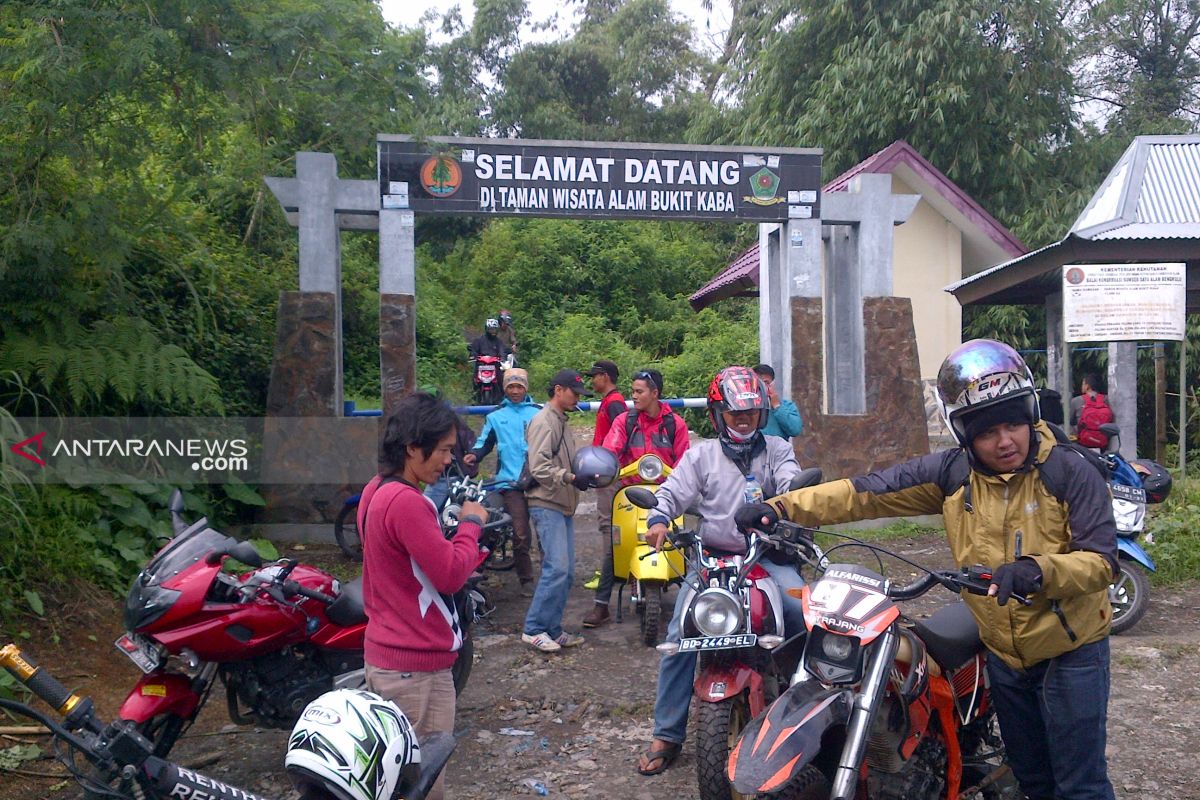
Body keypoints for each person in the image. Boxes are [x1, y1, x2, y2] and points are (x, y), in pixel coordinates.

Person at [741, 339, 1118, 800]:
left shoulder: (1070, 470)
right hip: (1004, 651)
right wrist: (780, 507)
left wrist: (1035, 571)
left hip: (1070, 651)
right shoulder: (954, 474)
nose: (1005, 441)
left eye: (1014, 424)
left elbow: (1101, 562)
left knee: (1080, 785)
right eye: (987, 432)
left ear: (1030, 413)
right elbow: (866, 492)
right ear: (965, 435)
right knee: (1032, 777)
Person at [636, 366, 807, 776]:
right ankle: (668, 733)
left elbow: (791, 483)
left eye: (750, 413)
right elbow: (673, 491)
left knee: (801, 612)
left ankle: (806, 711)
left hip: (765, 555)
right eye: (735, 414)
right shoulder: (701, 455)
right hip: (710, 559)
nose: (743, 420)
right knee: (680, 635)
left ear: (762, 414)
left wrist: (791, 495)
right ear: (718, 414)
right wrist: (659, 518)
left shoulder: (778, 449)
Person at [358, 392, 487, 800]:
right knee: (420, 788)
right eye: (445, 449)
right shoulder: (407, 502)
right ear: (414, 448)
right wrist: (470, 524)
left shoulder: (376, 489)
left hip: (396, 659)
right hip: (415, 671)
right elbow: (449, 574)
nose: (448, 459)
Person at [583, 368, 689, 628]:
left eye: (640, 391)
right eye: (633, 392)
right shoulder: (625, 422)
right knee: (613, 543)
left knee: (688, 545)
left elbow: (686, 461)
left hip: (666, 495)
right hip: (629, 494)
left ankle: (697, 603)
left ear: (655, 393)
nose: (634, 396)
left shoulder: (675, 423)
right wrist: (604, 468)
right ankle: (601, 605)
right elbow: (611, 450)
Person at [522, 369, 594, 652]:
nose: (578, 398)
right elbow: (539, 467)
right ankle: (534, 628)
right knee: (556, 569)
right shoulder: (544, 422)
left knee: (566, 572)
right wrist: (570, 478)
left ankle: (552, 628)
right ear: (559, 390)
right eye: (574, 392)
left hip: (562, 503)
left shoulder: (561, 420)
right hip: (546, 502)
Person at [463, 368, 540, 595]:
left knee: (546, 532)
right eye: (511, 387)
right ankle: (526, 579)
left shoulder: (538, 413)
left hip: (539, 480)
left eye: (519, 386)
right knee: (520, 533)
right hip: (510, 482)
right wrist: (474, 455)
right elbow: (484, 444)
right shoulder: (496, 416)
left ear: (526, 388)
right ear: (504, 388)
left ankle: (551, 578)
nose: (515, 391)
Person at [580, 359, 627, 596]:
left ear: (605, 376)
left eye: (594, 376)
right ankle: (611, 570)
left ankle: (610, 573)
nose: (592, 380)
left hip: (610, 473)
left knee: (608, 523)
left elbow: (624, 435)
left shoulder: (615, 403)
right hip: (607, 470)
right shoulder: (610, 402)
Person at [420, 387, 478, 512]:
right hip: (442, 476)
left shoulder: (447, 422)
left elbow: (470, 440)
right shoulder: (424, 423)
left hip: (451, 475)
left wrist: (472, 454)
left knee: (426, 509)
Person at [753, 363, 802, 440]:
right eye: (758, 383)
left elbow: (795, 430)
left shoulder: (787, 405)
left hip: (778, 451)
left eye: (766, 382)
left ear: (773, 384)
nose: (762, 387)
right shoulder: (747, 405)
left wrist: (777, 407)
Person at [1070, 373, 1115, 449]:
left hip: (1082, 442)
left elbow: (1069, 421)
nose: (1082, 386)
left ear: (1087, 386)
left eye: (1083, 384)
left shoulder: (1076, 400)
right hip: (1103, 442)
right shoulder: (1106, 399)